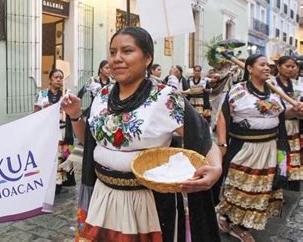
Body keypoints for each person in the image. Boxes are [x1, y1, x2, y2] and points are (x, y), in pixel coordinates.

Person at [62, 27, 222, 241]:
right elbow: (90, 142)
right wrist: (74, 116)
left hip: (146, 203)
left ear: (147, 58)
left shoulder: (165, 98)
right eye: (113, 52)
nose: (116, 58)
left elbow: (203, 139)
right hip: (103, 195)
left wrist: (216, 169)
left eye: (127, 51)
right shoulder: (101, 95)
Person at [215, 54, 303, 242]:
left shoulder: (274, 91)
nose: (266, 68)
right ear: (249, 68)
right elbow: (223, 116)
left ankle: (241, 224)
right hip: (245, 147)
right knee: (240, 187)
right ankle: (232, 223)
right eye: (262, 65)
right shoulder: (239, 90)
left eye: (268, 66)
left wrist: (294, 111)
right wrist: (222, 144)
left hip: (270, 146)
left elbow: (281, 115)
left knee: (262, 189)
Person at [34, 69, 75, 194]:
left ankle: (59, 183)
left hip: (62, 130)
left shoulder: (67, 94)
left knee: (62, 157)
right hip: (48, 131)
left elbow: (73, 110)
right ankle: (47, 182)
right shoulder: (43, 94)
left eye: (61, 78)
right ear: (50, 79)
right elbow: (36, 112)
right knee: (49, 156)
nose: (59, 80)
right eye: (56, 77)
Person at [274, 56, 302, 189]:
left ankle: (291, 183)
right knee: (279, 154)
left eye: (293, 66)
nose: (290, 69)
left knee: (293, 154)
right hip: (278, 126)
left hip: (294, 126)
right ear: (278, 66)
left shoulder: (298, 84)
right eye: (287, 66)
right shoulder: (271, 83)